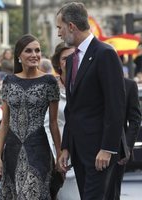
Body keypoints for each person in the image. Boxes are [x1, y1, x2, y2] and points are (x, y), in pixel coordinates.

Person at [56, 2, 126, 200]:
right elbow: (72, 109)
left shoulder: (105, 53)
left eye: (59, 28)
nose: (59, 34)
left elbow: (116, 106)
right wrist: (66, 147)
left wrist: (108, 148)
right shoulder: (71, 60)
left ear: (71, 26)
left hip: (100, 151)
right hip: (79, 150)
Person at [0, 34, 61, 199]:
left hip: (39, 151)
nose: (34, 55)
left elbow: (53, 123)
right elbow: (5, 123)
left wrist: (59, 156)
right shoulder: (9, 81)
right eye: (28, 51)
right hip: (12, 152)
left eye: (37, 50)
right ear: (19, 56)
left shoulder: (49, 81)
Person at [44, 42, 80, 200]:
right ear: (58, 63)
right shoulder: (50, 87)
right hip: (60, 155)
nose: (71, 61)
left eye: (75, 57)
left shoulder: (88, 84)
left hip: (85, 154)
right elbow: (46, 125)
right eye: (66, 58)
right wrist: (55, 156)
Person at [105, 78, 141, 200]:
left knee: (112, 193)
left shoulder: (129, 85)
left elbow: (135, 120)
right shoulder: (91, 82)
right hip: (90, 147)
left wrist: (127, 147)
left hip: (117, 149)